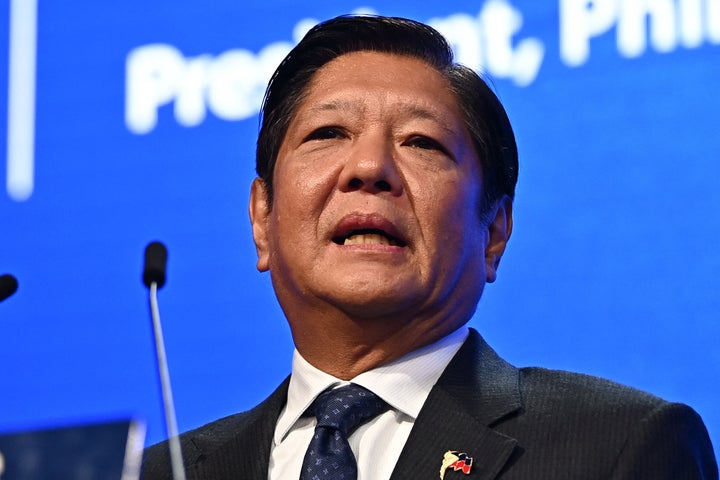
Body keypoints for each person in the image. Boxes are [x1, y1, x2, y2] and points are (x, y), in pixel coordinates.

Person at [141, 14, 718, 480]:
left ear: (494, 232)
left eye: (421, 142)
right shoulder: (158, 473)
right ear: (262, 217)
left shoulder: (617, 447)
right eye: (328, 134)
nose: (369, 167)